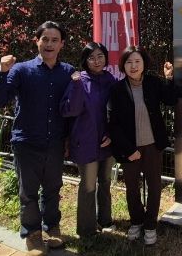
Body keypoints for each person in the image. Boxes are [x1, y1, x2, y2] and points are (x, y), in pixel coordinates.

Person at [0, 21, 74, 256]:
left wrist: (69, 139)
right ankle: (32, 234)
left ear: (62, 44)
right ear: (37, 41)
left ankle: (52, 227)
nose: (49, 44)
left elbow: (73, 108)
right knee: (28, 192)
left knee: (53, 189)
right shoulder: (21, 70)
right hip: (26, 142)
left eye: (55, 40)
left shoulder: (68, 72)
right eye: (45, 39)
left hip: (55, 142)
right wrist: (2, 72)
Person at [107, 46, 176, 246]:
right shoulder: (117, 89)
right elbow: (113, 123)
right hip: (130, 149)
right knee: (132, 188)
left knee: (154, 187)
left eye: (137, 61)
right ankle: (136, 221)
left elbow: (170, 100)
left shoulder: (153, 83)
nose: (133, 66)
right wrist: (129, 150)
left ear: (144, 63)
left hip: (153, 145)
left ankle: (150, 225)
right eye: (129, 62)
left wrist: (169, 79)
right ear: (123, 66)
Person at [60, 42, 117, 238]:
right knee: (88, 186)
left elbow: (117, 112)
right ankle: (86, 230)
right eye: (91, 58)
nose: (96, 61)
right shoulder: (79, 80)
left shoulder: (110, 80)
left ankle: (105, 221)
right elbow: (69, 110)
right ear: (85, 61)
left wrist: (111, 134)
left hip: (107, 142)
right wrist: (76, 85)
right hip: (85, 143)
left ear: (106, 58)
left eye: (100, 56)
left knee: (105, 182)